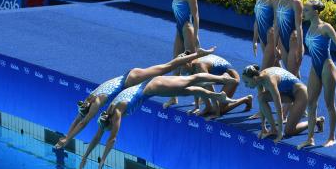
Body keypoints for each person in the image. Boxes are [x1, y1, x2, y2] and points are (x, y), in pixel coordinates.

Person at [54, 47, 216, 149]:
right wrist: (66, 136)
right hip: (128, 76)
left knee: (166, 67)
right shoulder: (90, 97)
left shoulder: (95, 102)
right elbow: (78, 119)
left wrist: (68, 139)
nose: (84, 110)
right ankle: (191, 55)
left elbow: (83, 122)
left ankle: (197, 54)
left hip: (130, 80)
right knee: (165, 66)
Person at [78, 72, 239, 169]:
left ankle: (223, 78)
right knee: (191, 89)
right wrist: (86, 156)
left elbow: (111, 139)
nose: (111, 128)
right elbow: (98, 136)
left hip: (155, 87)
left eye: (109, 127)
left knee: (192, 80)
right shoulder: (109, 112)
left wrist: (104, 159)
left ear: (110, 123)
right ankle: (219, 96)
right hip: (153, 86)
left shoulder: (117, 113)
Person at [297, 0, 336, 149]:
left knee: (329, 104)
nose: (303, 13)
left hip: (327, 67)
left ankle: (332, 137)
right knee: (311, 103)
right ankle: (310, 138)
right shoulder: (309, 27)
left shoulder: (326, 27)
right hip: (315, 67)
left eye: (306, 10)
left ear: (316, 12)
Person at [242, 65, 324, 143]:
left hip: (301, 94)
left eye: (246, 82)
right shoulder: (259, 80)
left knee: (289, 131)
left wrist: (280, 132)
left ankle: (316, 120)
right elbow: (261, 103)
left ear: (254, 78)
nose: (246, 85)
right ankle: (273, 129)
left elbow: (278, 107)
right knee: (261, 98)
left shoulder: (270, 80)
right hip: (288, 93)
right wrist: (263, 127)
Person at [164, 0, 200, 108]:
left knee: (192, 67)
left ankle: (198, 102)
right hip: (179, 29)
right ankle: (174, 97)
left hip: (187, 29)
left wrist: (196, 35)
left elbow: (196, 16)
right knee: (176, 64)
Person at [179, 53, 253, 118]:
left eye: (182, 67)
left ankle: (246, 99)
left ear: (188, 63)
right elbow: (195, 86)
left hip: (232, 78)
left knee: (218, 110)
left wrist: (217, 113)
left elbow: (210, 90)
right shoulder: (192, 65)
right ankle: (208, 107)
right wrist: (197, 107)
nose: (181, 70)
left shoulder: (200, 66)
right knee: (200, 83)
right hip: (222, 77)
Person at [273, 0, 304, 77]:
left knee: (291, 75)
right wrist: (275, 46)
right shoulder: (279, 1)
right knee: (292, 75)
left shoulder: (296, 2)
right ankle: (301, 92)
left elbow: (299, 26)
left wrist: (300, 48)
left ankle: (300, 92)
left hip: (293, 42)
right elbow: (276, 25)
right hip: (283, 41)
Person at [253, 0, 279, 69]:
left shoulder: (275, 0)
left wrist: (278, 45)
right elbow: (257, 20)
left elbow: (277, 22)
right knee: (274, 65)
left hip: (271, 36)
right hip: (262, 36)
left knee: (265, 68)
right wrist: (255, 39)